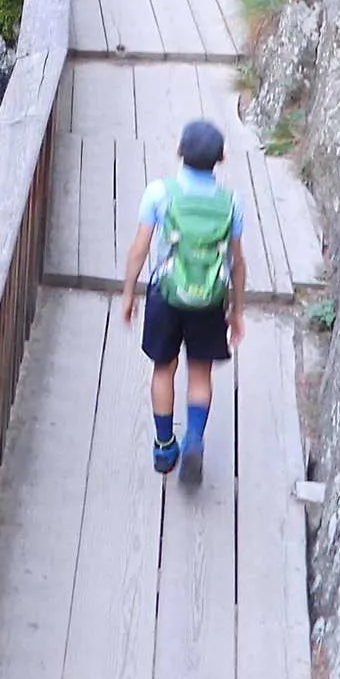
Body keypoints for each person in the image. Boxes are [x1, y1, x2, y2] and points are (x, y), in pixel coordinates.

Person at [120, 117, 246, 481]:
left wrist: (129, 294)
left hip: (166, 294)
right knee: (200, 372)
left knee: (163, 368)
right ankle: (194, 438)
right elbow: (237, 263)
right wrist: (236, 311)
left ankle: (163, 447)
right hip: (209, 301)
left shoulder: (160, 193)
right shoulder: (231, 202)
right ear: (220, 159)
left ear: (179, 152)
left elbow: (140, 249)